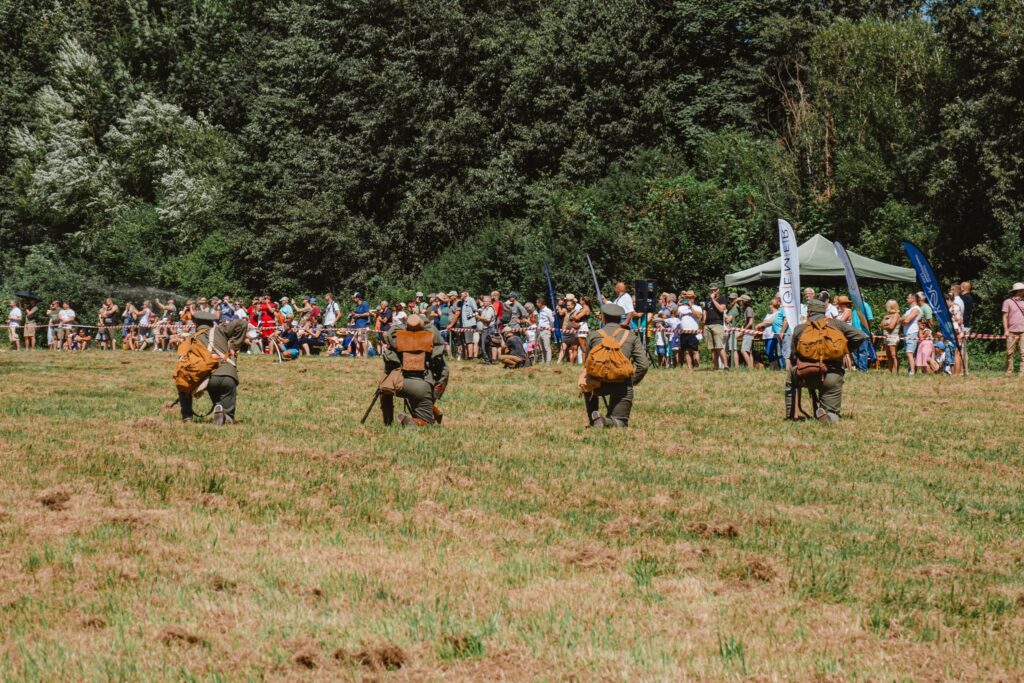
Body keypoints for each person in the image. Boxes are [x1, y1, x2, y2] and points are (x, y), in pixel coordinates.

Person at [784, 299, 867, 423]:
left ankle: (791, 415)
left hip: (805, 373)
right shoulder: (837, 324)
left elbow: (793, 356)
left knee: (791, 378)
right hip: (832, 374)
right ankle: (828, 416)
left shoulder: (800, 328)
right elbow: (861, 336)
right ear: (824, 311)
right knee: (832, 413)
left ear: (809, 312)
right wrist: (844, 350)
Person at [579, 303, 649, 428]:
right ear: (620, 318)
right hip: (622, 383)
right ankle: (606, 421)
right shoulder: (630, 336)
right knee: (620, 422)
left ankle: (594, 420)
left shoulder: (593, 335)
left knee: (587, 382)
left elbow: (588, 364)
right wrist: (631, 381)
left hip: (596, 383)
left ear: (603, 318)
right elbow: (643, 365)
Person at [177, 310, 252, 424]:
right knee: (225, 392)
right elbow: (243, 323)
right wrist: (234, 346)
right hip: (227, 374)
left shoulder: (190, 338)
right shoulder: (220, 330)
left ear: (196, 324)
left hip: (205, 377)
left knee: (182, 384)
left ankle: (187, 417)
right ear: (212, 323)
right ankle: (226, 416)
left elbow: (182, 363)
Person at [379, 314, 448, 427]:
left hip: (399, 383)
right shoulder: (432, 339)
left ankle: (388, 422)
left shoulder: (396, 336)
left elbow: (388, 366)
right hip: (422, 386)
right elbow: (444, 372)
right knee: (427, 424)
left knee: (384, 388)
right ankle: (415, 422)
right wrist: (434, 394)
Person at [703, 283, 728, 369]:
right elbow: (705, 311)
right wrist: (703, 323)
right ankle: (715, 366)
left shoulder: (722, 298)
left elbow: (721, 309)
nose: (713, 291)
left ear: (718, 290)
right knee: (712, 348)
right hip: (707, 325)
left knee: (719, 347)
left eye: (715, 289)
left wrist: (713, 299)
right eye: (711, 290)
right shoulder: (707, 299)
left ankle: (726, 366)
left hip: (717, 324)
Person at [1002, 282, 1024, 376]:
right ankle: (1009, 371)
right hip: (1011, 331)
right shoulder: (1007, 302)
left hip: (1023, 331)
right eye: (1022, 290)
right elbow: (1005, 316)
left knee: (1023, 352)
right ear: (1018, 291)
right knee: (1009, 352)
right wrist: (1006, 330)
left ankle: (1022, 372)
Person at [677, 291, 702, 368]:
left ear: (694, 298)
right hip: (684, 332)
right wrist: (678, 304)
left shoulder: (697, 307)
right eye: (687, 298)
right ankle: (689, 368)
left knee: (695, 350)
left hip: (693, 332)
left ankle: (697, 367)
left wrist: (691, 307)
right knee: (686, 351)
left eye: (691, 298)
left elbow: (699, 316)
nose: (689, 299)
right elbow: (674, 314)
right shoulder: (681, 307)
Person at [901, 293, 921, 375]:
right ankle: (911, 370)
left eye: (908, 297)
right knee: (908, 353)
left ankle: (912, 372)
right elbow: (900, 320)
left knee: (909, 353)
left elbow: (906, 320)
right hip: (907, 333)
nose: (906, 299)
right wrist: (903, 320)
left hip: (912, 332)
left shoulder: (916, 309)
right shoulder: (909, 310)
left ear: (913, 299)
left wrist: (903, 320)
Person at [880, 300, 901, 374]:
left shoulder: (896, 315)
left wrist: (885, 326)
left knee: (893, 355)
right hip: (886, 336)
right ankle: (890, 371)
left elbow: (891, 327)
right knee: (888, 355)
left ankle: (896, 372)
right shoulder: (887, 315)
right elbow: (881, 325)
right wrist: (884, 319)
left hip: (893, 337)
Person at [960, 281, 974, 374]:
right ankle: (963, 369)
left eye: (960, 286)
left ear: (963, 288)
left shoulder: (964, 298)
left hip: (963, 325)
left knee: (962, 348)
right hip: (966, 324)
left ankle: (964, 369)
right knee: (963, 347)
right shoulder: (969, 297)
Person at [350, 292, 370, 358]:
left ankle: (366, 356)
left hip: (363, 326)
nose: (353, 299)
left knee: (363, 341)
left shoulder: (364, 304)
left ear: (358, 298)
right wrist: (353, 315)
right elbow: (356, 315)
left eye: (354, 298)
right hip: (357, 326)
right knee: (359, 341)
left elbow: (368, 313)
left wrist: (359, 315)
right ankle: (361, 355)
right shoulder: (357, 306)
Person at [738, 294, 756, 367]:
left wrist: (743, 330)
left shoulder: (749, 309)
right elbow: (746, 322)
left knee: (743, 350)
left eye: (740, 301)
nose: (739, 302)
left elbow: (750, 322)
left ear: (743, 301)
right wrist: (742, 328)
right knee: (749, 351)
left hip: (749, 333)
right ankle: (751, 368)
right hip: (748, 332)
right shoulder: (746, 309)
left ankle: (749, 366)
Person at [535, 296, 554, 363]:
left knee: (547, 347)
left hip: (546, 330)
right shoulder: (540, 311)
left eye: (537, 302)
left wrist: (550, 329)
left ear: (541, 303)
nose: (536, 304)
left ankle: (548, 362)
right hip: (540, 331)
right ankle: (544, 361)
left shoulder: (548, 311)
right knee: (542, 347)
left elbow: (552, 320)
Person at [724, 292, 740, 367]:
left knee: (733, 349)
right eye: (730, 299)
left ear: (736, 299)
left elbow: (728, 320)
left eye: (732, 299)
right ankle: (727, 366)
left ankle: (736, 367)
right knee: (727, 349)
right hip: (730, 330)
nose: (730, 300)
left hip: (733, 331)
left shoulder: (735, 308)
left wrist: (722, 314)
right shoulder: (732, 308)